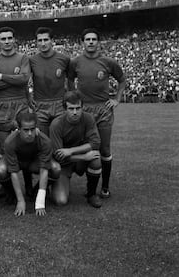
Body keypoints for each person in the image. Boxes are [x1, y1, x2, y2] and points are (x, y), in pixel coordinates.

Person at [68, 28, 126, 199]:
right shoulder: (75, 62)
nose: (91, 42)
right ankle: (90, 186)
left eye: (94, 39)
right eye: (88, 39)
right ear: (82, 42)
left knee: (104, 149)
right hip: (84, 110)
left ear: (98, 42)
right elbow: (70, 80)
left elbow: (122, 79)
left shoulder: (108, 62)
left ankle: (105, 187)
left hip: (103, 109)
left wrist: (117, 98)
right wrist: (74, 100)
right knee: (86, 146)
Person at [0, 112, 58, 216]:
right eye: (26, 130)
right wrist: (21, 201)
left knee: (56, 168)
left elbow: (44, 170)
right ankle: (12, 194)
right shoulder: (10, 142)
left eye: (32, 129)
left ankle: (35, 192)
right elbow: (14, 172)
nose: (30, 133)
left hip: (34, 163)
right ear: (18, 129)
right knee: (1, 169)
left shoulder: (45, 141)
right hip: (18, 163)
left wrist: (40, 202)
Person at [49, 91, 103, 208]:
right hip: (63, 165)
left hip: (78, 160)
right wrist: (83, 156)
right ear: (64, 109)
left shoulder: (88, 118)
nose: (75, 112)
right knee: (60, 200)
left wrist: (71, 150)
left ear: (82, 107)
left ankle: (91, 194)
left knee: (96, 157)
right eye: (71, 108)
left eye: (78, 108)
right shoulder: (56, 124)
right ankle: (52, 183)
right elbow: (59, 157)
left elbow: (95, 143)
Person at [0, 26, 30, 155]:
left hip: (20, 103)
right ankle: (7, 173)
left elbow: (24, 79)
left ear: (14, 40)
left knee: (25, 145)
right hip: (0, 105)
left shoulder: (22, 58)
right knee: (5, 148)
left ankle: (26, 174)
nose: (7, 41)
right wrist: (15, 80)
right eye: (3, 39)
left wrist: (2, 76)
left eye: (9, 38)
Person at [29, 27, 70, 136]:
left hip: (60, 104)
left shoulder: (64, 59)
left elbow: (70, 80)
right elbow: (24, 80)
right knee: (43, 141)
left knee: (59, 139)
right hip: (40, 105)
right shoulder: (32, 61)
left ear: (52, 40)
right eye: (40, 40)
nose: (43, 43)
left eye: (46, 40)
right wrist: (29, 97)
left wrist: (70, 99)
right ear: (36, 42)